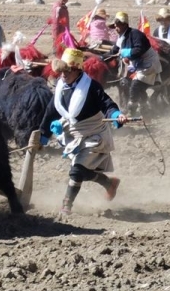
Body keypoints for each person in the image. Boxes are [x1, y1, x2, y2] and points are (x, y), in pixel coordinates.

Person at [39, 48, 128, 216]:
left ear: (78, 70)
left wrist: (116, 115)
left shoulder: (91, 87)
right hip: (74, 135)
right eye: (62, 71)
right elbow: (52, 111)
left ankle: (66, 206)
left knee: (76, 171)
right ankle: (108, 183)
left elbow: (106, 104)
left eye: (68, 71)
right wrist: (43, 134)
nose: (63, 75)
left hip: (94, 135)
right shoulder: (61, 87)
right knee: (80, 171)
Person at [107, 11, 162, 115]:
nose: (115, 28)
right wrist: (101, 57)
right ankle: (145, 108)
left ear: (124, 24)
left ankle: (131, 111)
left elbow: (139, 50)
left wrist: (125, 52)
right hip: (138, 65)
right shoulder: (121, 37)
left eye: (117, 25)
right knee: (133, 86)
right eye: (115, 26)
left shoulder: (136, 34)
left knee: (135, 86)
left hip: (148, 64)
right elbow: (114, 51)